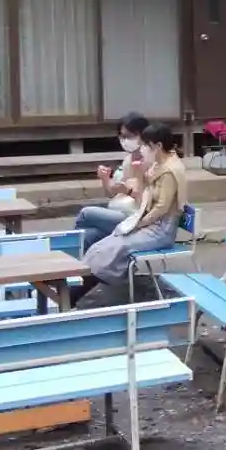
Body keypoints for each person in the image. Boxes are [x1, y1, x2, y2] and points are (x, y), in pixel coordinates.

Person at [74, 123, 187, 307]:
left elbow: (161, 208)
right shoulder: (159, 164)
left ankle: (80, 292)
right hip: (148, 222)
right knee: (101, 245)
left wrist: (139, 223)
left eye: (146, 145)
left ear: (158, 146)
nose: (142, 149)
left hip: (160, 230)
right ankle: (79, 289)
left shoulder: (169, 171)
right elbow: (144, 195)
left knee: (114, 247)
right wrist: (140, 175)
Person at [74, 113, 151, 250]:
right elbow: (112, 193)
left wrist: (130, 190)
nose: (125, 140)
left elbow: (144, 200)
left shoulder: (149, 161)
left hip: (133, 218)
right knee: (87, 236)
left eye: (130, 136)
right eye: (122, 136)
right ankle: (79, 261)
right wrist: (105, 179)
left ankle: (73, 252)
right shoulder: (129, 159)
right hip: (118, 212)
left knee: (86, 214)